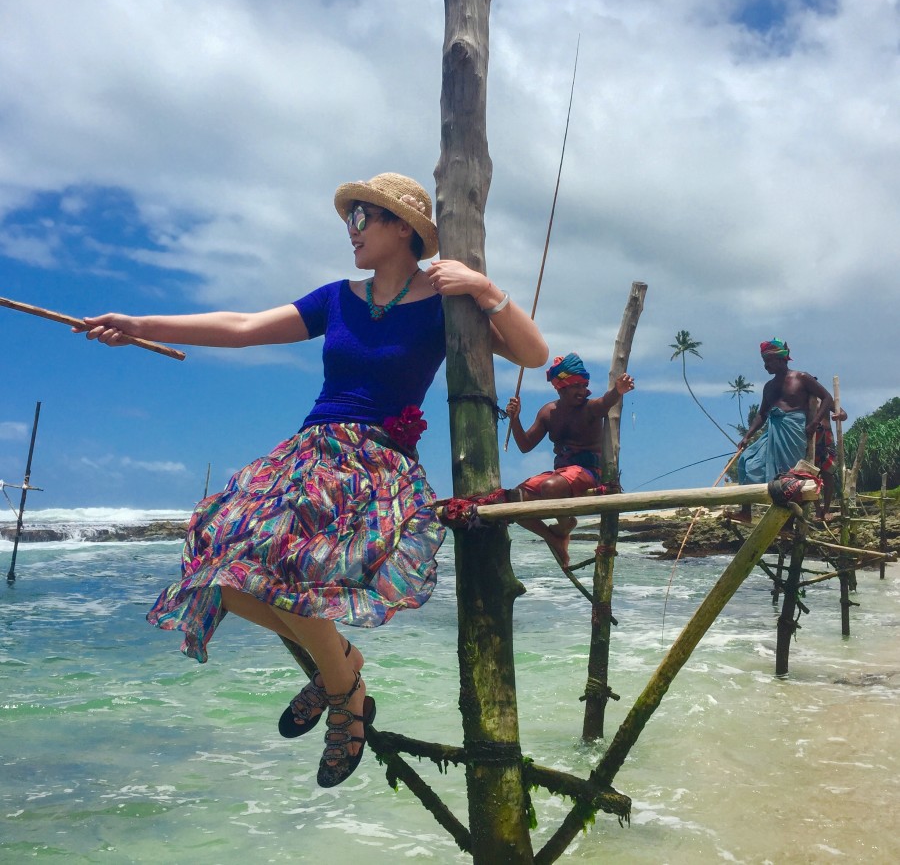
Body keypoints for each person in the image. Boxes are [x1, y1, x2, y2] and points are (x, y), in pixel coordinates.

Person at [77, 172, 548, 788]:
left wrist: (485, 289)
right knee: (219, 571)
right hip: (308, 452)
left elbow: (534, 354)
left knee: (272, 569)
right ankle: (344, 675)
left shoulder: (445, 303)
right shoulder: (337, 298)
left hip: (373, 462)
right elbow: (242, 327)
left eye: (363, 219)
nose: (350, 231)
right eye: (347, 219)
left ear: (402, 227)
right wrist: (142, 325)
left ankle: (342, 693)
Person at [505, 352, 634, 567]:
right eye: (576, 387)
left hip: (588, 472)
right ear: (560, 387)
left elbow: (605, 402)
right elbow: (525, 445)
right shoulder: (548, 412)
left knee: (551, 487)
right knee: (513, 499)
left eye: (584, 386)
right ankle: (553, 536)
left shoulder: (591, 408)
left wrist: (617, 391)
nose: (582, 392)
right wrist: (515, 419)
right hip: (561, 474)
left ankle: (566, 524)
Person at [734, 338, 838, 522]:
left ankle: (788, 523)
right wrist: (747, 436)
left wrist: (814, 423)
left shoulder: (802, 378)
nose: (766, 367)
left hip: (795, 430)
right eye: (764, 363)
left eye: (769, 362)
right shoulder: (769, 387)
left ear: (782, 359)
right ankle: (746, 512)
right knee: (745, 461)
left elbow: (827, 398)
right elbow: (762, 414)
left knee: (788, 476)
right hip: (774, 431)